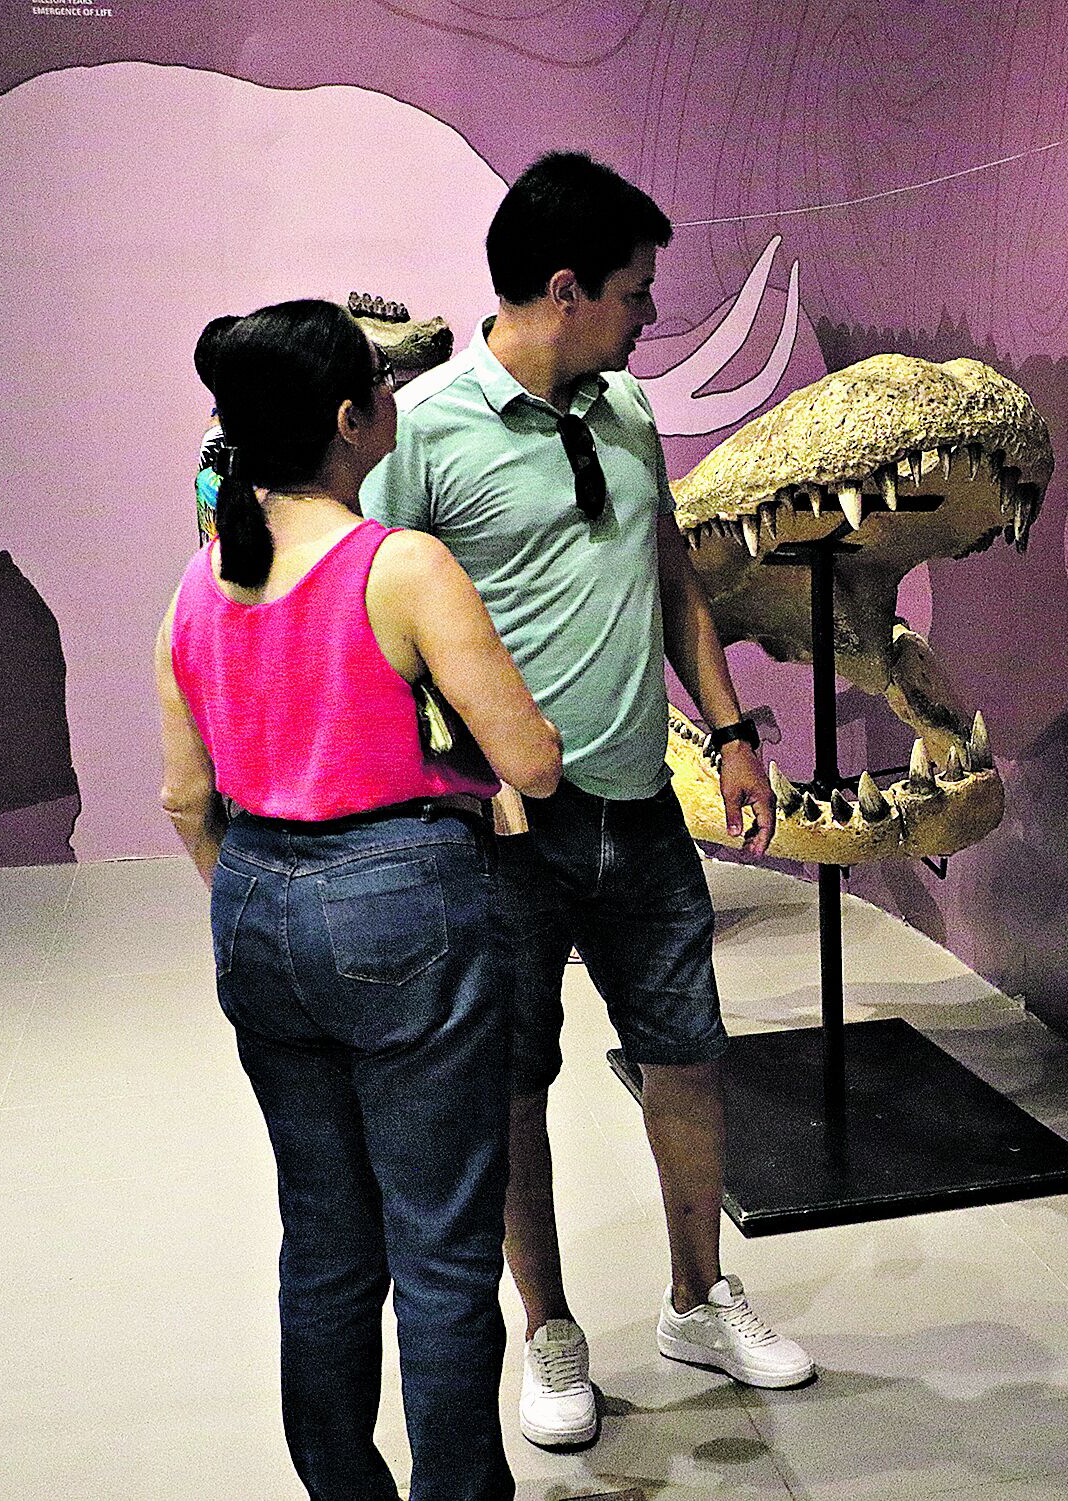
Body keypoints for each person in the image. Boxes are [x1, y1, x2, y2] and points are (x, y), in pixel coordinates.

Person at [363, 150, 811, 1453]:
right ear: (566, 290)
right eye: (636, 293)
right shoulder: (426, 441)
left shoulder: (623, 410)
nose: (648, 317)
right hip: (500, 838)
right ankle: (550, 1331)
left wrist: (726, 727)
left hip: (643, 811)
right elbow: (378, 635)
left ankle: (698, 1298)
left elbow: (670, 572)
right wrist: (453, 792)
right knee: (512, 1083)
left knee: (690, 1054)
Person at [156, 298, 563, 1501]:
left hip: (255, 906)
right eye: (381, 386)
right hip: (405, 901)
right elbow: (530, 761)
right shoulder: (402, 565)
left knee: (325, 1246)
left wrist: (263, 897)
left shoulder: (198, 582)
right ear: (352, 419)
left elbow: (187, 800)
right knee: (440, 1250)